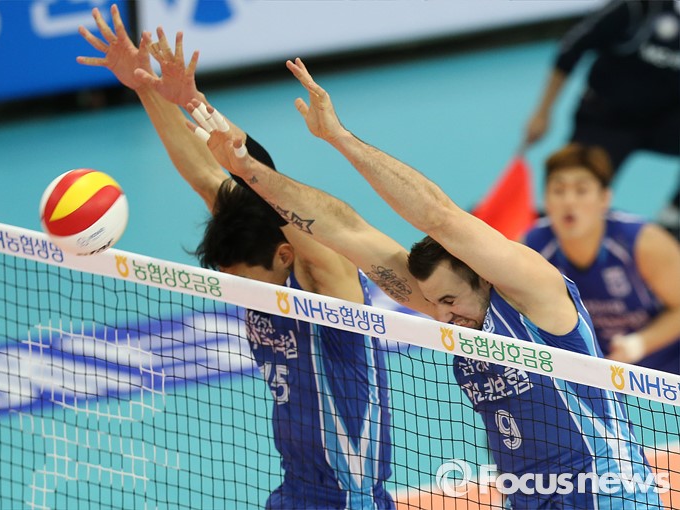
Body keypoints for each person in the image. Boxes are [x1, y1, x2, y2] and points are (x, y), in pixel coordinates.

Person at [192, 57, 664, 508]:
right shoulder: (453, 309)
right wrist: (249, 172)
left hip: (607, 494)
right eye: (435, 303)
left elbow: (439, 216)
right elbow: (348, 231)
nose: (442, 316)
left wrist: (340, 138)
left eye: (450, 300)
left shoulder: (536, 296)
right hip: (530, 498)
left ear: (483, 277)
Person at [77, 6, 394, 509]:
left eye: (247, 285)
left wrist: (198, 104)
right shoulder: (252, 256)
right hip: (293, 492)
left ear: (286, 254)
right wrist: (146, 87)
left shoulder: (326, 281)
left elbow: (262, 180)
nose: (242, 298)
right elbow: (207, 177)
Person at [524, 0, 680, 238]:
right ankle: (547, 234)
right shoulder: (636, 7)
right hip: (607, 120)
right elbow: (571, 47)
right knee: (576, 190)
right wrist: (542, 112)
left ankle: (673, 218)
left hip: (663, 121)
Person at [523, 143, 680, 374]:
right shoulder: (532, 248)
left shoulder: (644, 242)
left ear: (605, 198)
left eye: (581, 190)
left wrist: (638, 344)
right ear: (545, 200)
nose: (569, 201)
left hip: (666, 365)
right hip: (596, 373)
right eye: (558, 190)